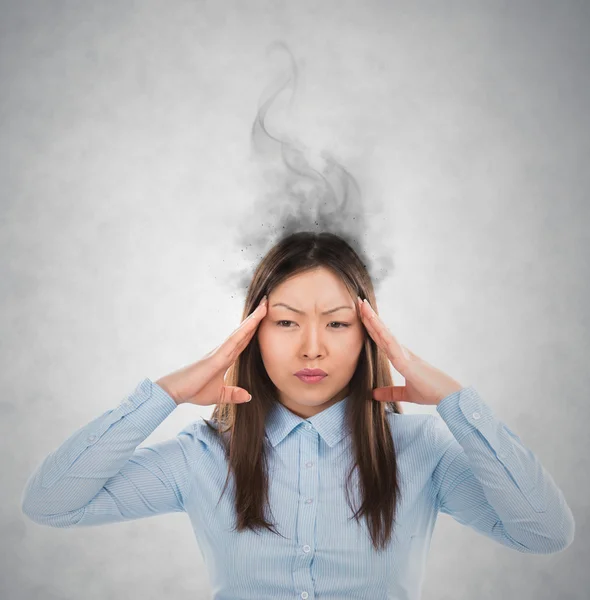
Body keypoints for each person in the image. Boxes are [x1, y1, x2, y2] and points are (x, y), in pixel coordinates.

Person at [21, 231, 575, 600]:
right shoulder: (203, 454)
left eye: (337, 323)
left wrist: (458, 403)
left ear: (368, 337)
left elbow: (544, 534)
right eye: (286, 322)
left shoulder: (420, 450)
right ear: (252, 333)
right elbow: (51, 504)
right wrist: (164, 394)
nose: (312, 348)